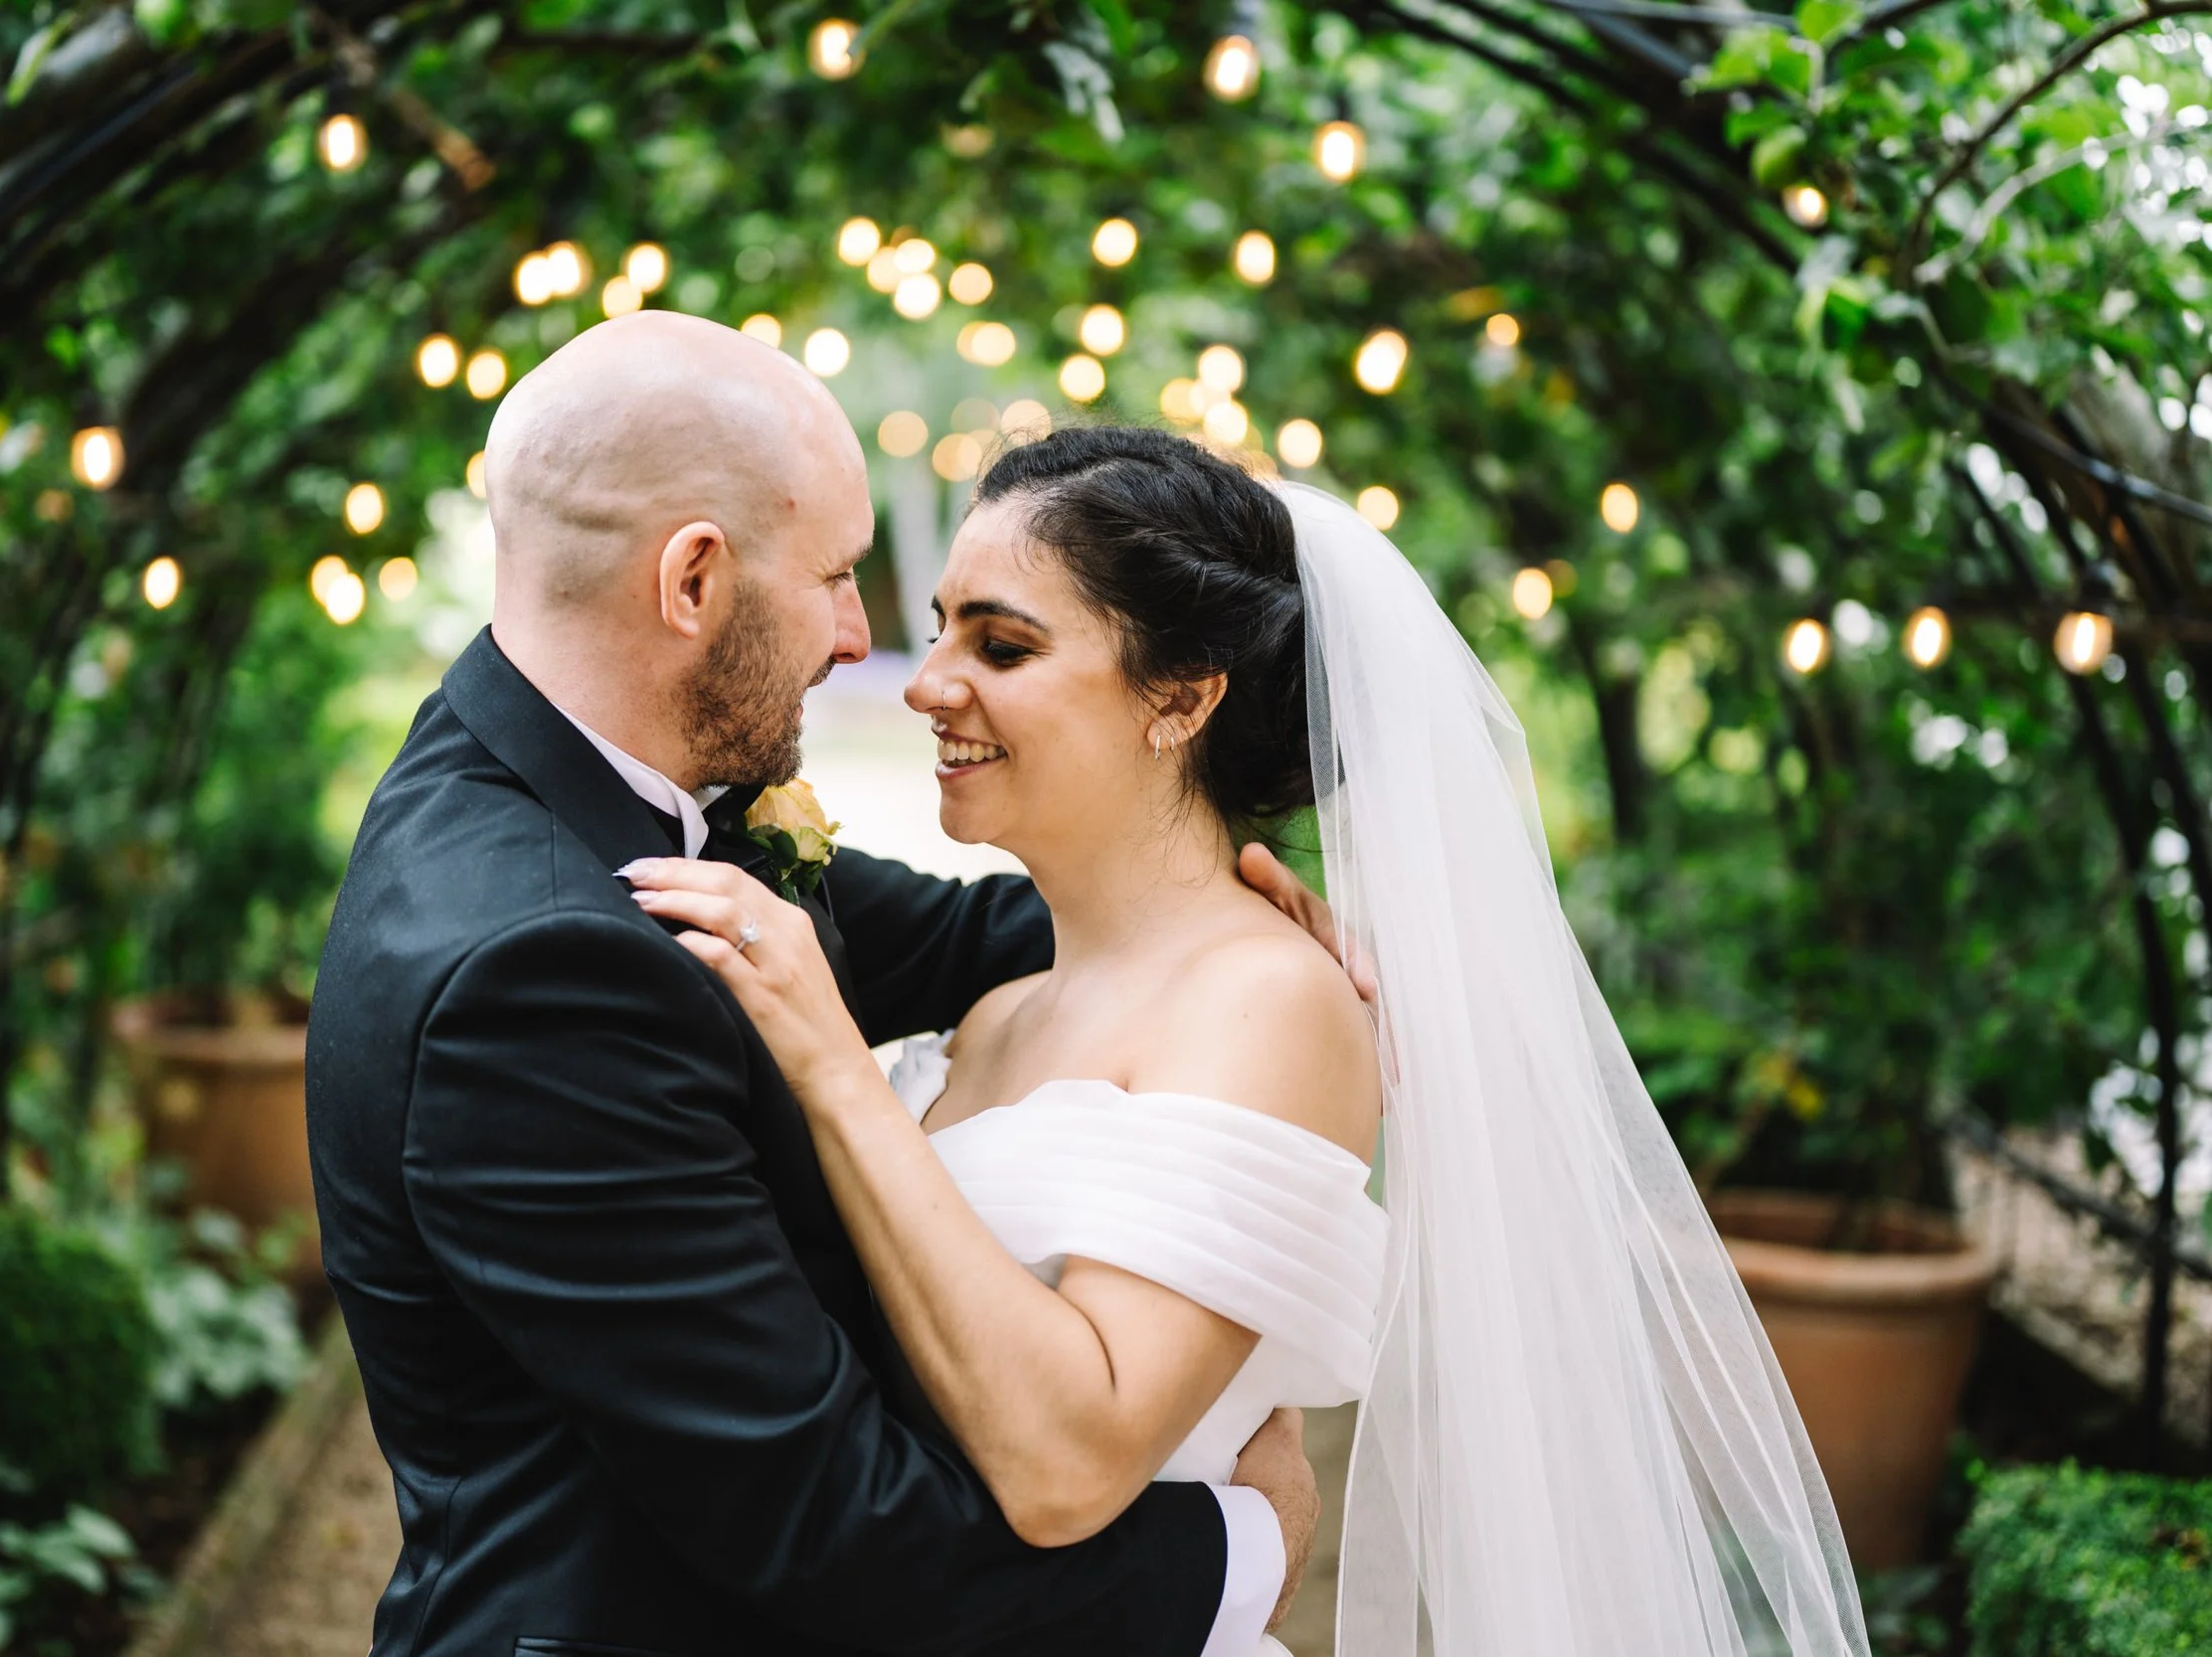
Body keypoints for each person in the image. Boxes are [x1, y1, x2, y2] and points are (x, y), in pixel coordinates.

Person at [631, 426, 1875, 1657]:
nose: (925, 681)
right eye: (942, 627)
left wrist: (835, 1070)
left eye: (1001, 644)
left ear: (1182, 696)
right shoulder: (1000, 1008)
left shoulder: (1270, 1004)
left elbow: (1068, 1463)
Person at [306, 316, 1335, 1657]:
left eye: (997, 642)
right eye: (839, 575)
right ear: (693, 579)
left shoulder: (565, 787)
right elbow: (826, 1518)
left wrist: (1241, 925)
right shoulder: (543, 967)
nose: (867, 645)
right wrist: (1237, 1555)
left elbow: (974, 934)